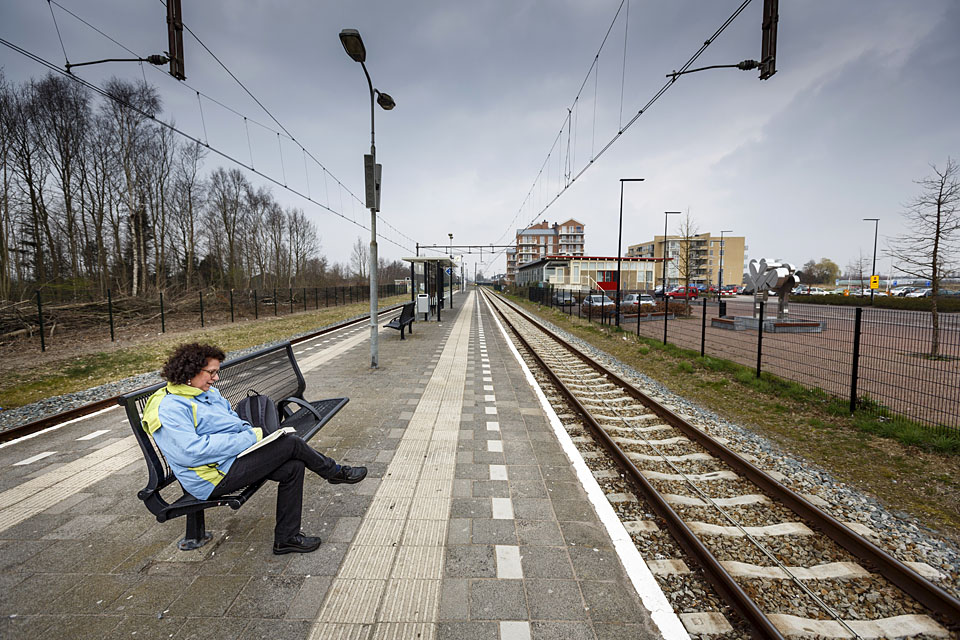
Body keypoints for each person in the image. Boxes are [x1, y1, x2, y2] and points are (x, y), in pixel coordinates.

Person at [143, 342, 366, 554]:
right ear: (189, 372)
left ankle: (286, 539)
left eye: (216, 372)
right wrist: (252, 437)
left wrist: (251, 437)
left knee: (294, 466)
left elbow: (232, 420)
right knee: (291, 443)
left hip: (232, 460)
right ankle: (334, 472)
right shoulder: (169, 407)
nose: (216, 378)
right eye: (211, 372)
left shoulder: (206, 392)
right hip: (210, 477)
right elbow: (191, 452)